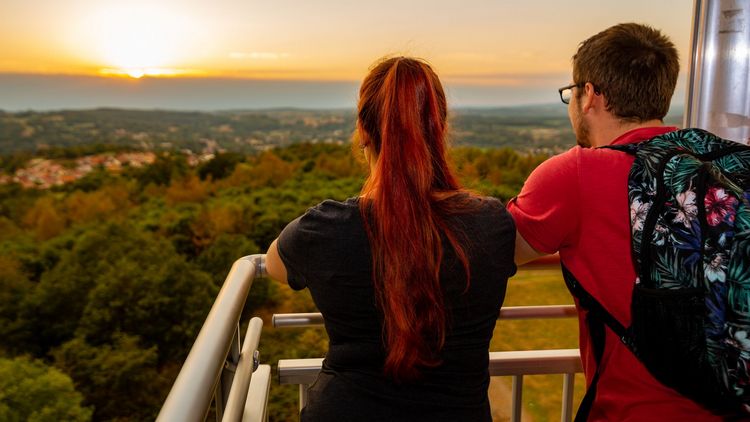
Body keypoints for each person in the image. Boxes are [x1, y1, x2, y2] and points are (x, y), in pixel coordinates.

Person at [265, 57, 516, 421]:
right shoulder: (490, 224)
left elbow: (274, 264)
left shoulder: (324, 230)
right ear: (439, 128)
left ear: (363, 132)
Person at [507, 23, 724, 421]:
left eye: (571, 93)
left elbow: (496, 251)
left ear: (590, 95)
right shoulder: (719, 166)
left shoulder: (575, 174)